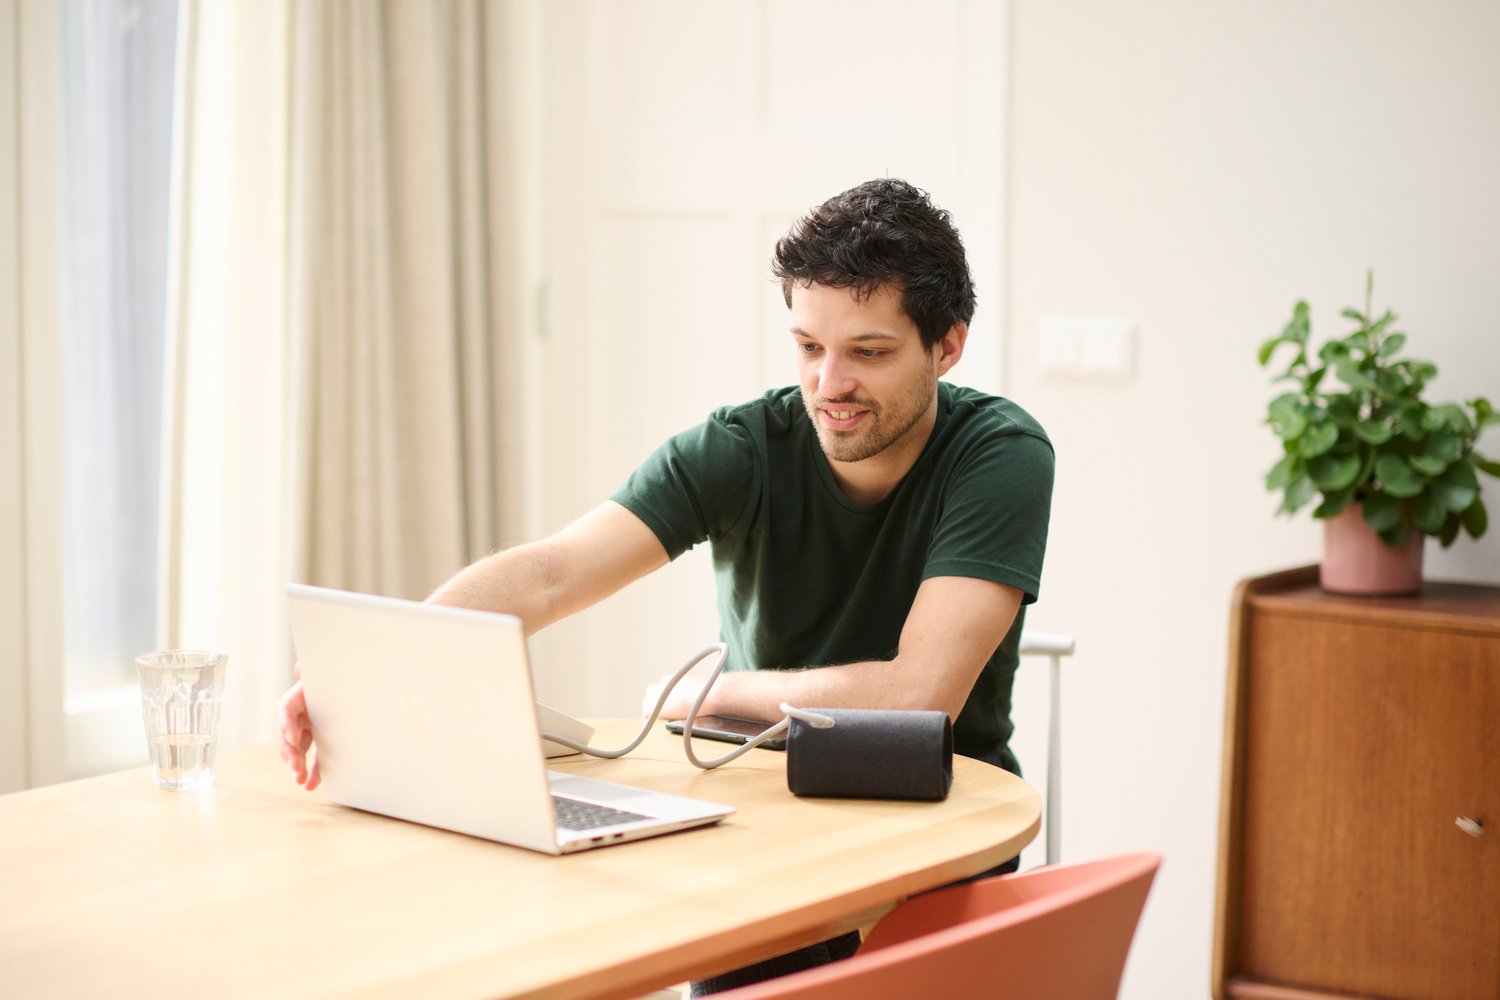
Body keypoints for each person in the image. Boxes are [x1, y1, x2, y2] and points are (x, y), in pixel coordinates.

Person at [276, 177, 1054, 994]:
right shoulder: (743, 447)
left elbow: (916, 695)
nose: (829, 384)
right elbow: (554, 570)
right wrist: (386, 664)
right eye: (807, 346)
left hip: (942, 833)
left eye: (868, 351)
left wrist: (721, 693)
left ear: (949, 345)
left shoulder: (998, 455)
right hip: (767, 823)